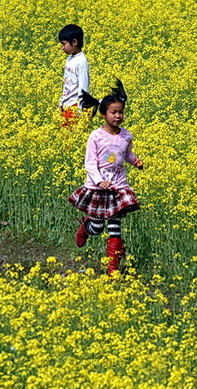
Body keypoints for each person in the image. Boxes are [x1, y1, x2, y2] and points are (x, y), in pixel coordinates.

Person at [68, 79, 143, 275]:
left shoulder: (126, 135)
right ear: (104, 113)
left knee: (115, 227)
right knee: (97, 227)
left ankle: (113, 268)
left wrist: (135, 161)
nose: (118, 116)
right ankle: (86, 227)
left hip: (118, 186)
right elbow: (90, 162)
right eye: (114, 112)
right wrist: (98, 179)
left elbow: (125, 154)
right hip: (98, 187)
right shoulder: (96, 136)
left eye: (121, 112)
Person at [58, 24, 90, 127]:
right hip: (66, 106)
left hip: (75, 107)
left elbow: (83, 88)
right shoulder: (70, 58)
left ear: (74, 42)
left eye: (64, 44)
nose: (62, 48)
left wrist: (80, 110)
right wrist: (61, 102)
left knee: (72, 135)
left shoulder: (81, 62)